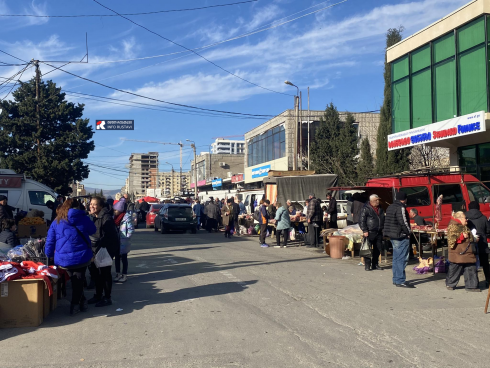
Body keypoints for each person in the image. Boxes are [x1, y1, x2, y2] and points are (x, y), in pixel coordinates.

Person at [45, 198, 96, 314]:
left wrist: (48, 255)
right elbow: (93, 230)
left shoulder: (57, 221)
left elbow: (50, 240)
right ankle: (75, 305)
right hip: (81, 256)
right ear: (78, 206)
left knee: (73, 280)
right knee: (78, 282)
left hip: (62, 259)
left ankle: (81, 301)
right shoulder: (83, 218)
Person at [88, 196, 120, 307]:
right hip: (96, 250)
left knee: (105, 274)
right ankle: (98, 295)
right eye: (91, 203)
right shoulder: (95, 217)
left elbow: (110, 237)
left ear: (101, 206)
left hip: (104, 250)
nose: (91, 206)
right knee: (96, 274)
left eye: (94, 204)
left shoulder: (106, 218)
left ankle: (107, 297)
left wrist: (102, 251)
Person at [384, 191, 414, 288]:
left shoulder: (390, 207)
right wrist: (408, 232)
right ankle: (400, 280)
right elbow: (403, 222)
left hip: (392, 235)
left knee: (396, 258)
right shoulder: (400, 207)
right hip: (400, 235)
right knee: (402, 258)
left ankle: (396, 279)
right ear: (404, 199)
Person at [446, 211, 480, 291]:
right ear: (460, 218)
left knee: (470, 268)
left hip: (466, 252)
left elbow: (469, 235)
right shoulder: (453, 226)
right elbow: (451, 240)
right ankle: (450, 284)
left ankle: (471, 286)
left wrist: (474, 238)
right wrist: (462, 236)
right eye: (465, 218)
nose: (466, 220)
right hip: (458, 252)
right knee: (455, 268)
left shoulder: (462, 225)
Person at [465, 201, 490, 288]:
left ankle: (474, 283)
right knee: (485, 264)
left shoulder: (465, 217)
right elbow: (488, 230)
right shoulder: (483, 217)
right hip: (482, 243)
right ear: (478, 207)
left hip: (469, 244)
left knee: (471, 264)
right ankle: (488, 281)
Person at [360, 194, 385, 271]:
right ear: (371, 201)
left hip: (378, 231)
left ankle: (375, 264)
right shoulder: (366, 209)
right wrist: (365, 230)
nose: (377, 201)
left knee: (378, 248)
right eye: (376, 200)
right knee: (367, 248)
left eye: (378, 200)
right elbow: (361, 220)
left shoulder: (380, 208)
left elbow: (383, 218)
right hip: (369, 231)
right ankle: (367, 265)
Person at [113, 199, 133, 284]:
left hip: (123, 242)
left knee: (124, 258)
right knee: (117, 258)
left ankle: (124, 275)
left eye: (116, 210)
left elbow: (131, 229)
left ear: (120, 210)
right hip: (116, 241)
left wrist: (126, 237)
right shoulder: (114, 218)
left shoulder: (126, 218)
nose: (114, 211)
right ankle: (117, 274)